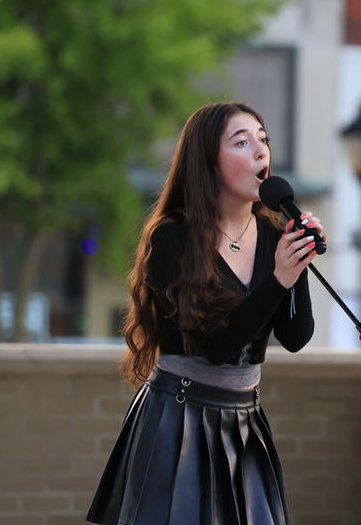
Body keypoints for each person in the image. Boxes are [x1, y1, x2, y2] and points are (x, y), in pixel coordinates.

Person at [86, 101, 325, 525]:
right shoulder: (173, 239)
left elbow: (296, 336)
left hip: (245, 422)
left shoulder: (271, 234)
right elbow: (216, 346)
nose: (260, 151)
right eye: (242, 142)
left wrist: (296, 254)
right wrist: (279, 278)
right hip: (179, 421)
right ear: (209, 162)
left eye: (263, 139)